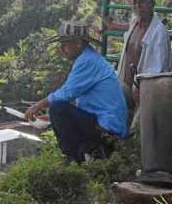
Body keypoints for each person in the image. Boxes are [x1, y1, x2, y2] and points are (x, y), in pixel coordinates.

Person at [24, 21, 127, 162]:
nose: (62, 49)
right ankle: (85, 153)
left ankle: (75, 158)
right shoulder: (89, 58)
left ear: (78, 43)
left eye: (65, 44)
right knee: (60, 110)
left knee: (58, 109)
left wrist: (38, 105)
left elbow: (66, 94)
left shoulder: (87, 61)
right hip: (102, 123)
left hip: (107, 129)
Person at [110, 0, 172, 124]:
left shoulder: (159, 32)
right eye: (135, 2)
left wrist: (140, 85)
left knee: (138, 130)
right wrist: (113, 25)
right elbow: (127, 26)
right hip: (126, 86)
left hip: (146, 91)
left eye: (142, 1)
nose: (138, 6)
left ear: (152, 4)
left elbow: (158, 68)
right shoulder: (135, 22)